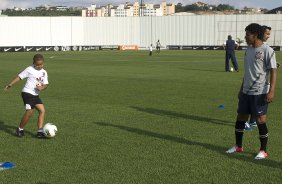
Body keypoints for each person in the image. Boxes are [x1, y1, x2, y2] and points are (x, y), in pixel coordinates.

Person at [226, 23, 277, 159]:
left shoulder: (268, 51)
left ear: (255, 35)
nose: (245, 37)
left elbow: (273, 71)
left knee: (260, 120)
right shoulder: (248, 50)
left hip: (260, 91)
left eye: (247, 34)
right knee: (240, 118)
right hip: (246, 92)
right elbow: (248, 72)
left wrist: (271, 91)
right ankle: (238, 146)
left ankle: (263, 150)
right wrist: (241, 89)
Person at [4, 54, 49, 138]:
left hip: (35, 95)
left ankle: (40, 132)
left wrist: (41, 88)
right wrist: (10, 84)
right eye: (38, 64)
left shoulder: (44, 72)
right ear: (33, 63)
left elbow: (46, 84)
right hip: (27, 93)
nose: (40, 66)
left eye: (41, 64)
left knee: (42, 111)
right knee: (29, 112)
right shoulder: (29, 69)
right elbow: (19, 77)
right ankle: (20, 129)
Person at [245, 25, 280, 130]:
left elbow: (271, 69)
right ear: (260, 34)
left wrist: (271, 91)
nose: (268, 36)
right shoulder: (250, 49)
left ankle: (252, 121)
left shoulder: (267, 49)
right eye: (266, 33)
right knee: (247, 108)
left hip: (261, 87)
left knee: (258, 112)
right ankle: (249, 121)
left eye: (269, 34)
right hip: (249, 87)